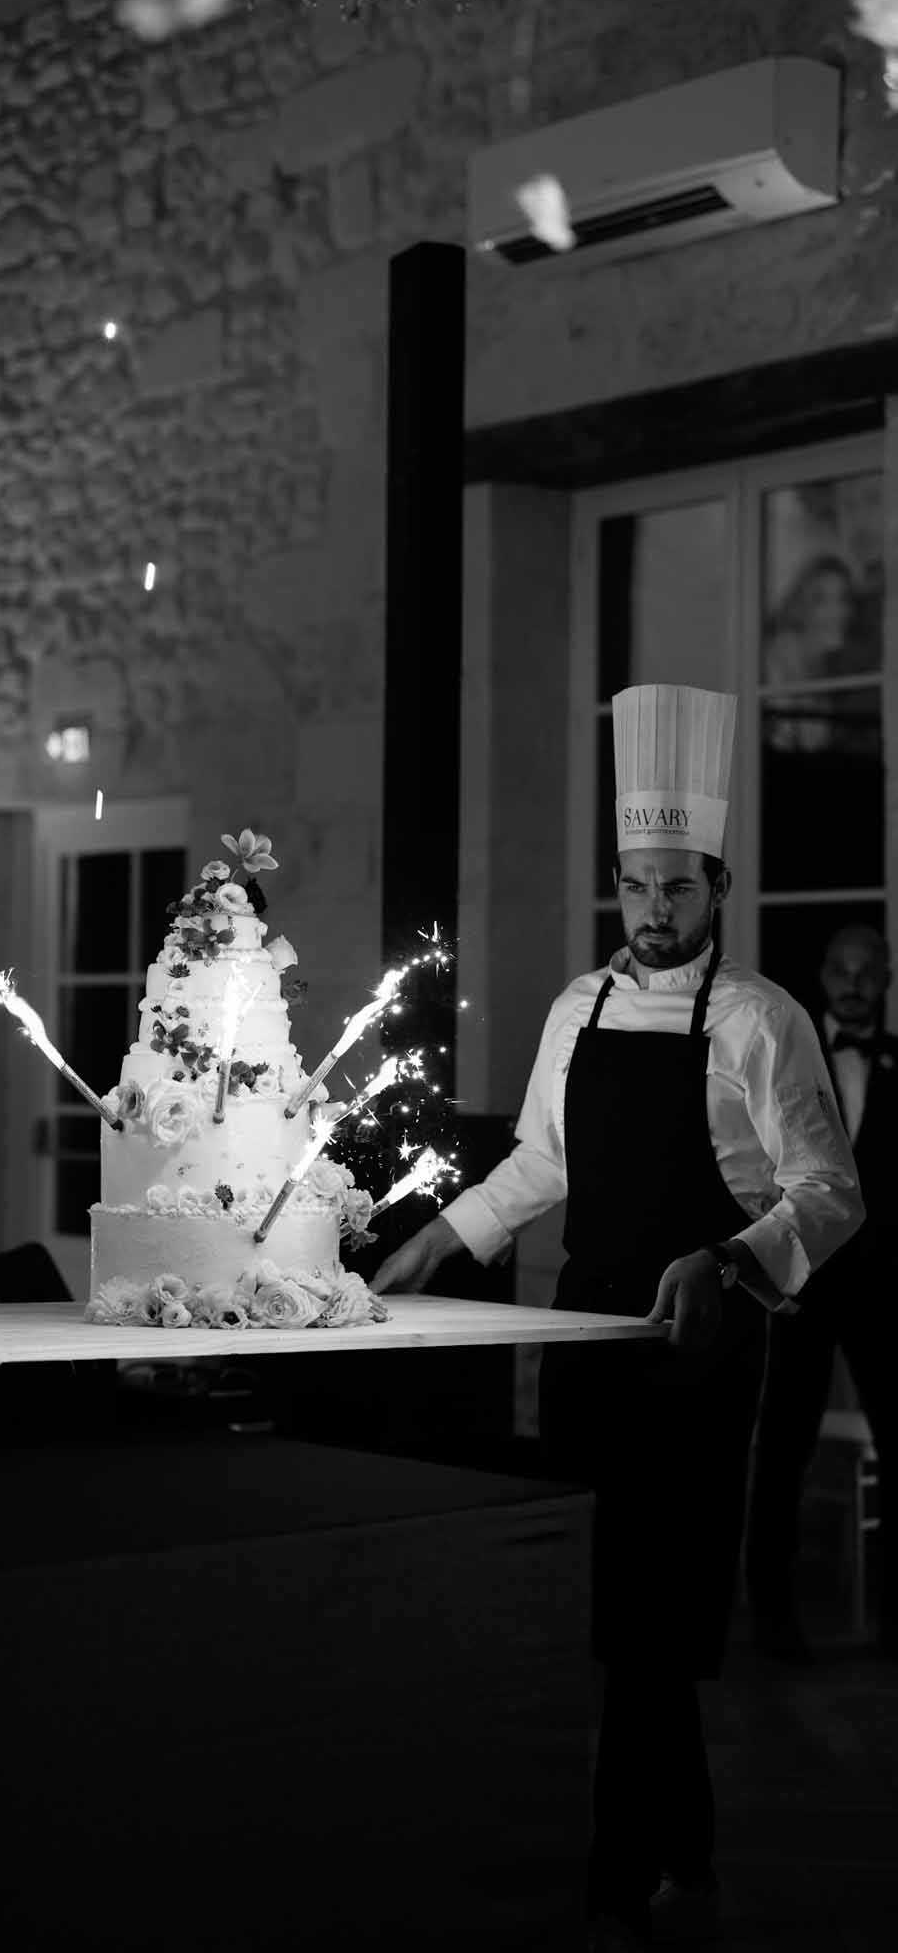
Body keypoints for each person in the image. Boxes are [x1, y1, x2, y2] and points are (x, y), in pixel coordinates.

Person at [373, 683, 863, 1953]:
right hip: (591, 1339)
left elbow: (831, 1192)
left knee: (662, 1614)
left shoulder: (762, 1021)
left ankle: (606, 1874)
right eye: (636, 886)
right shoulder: (571, 1008)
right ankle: (674, 1843)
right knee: (615, 1614)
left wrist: (731, 1259)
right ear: (618, 879)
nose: (653, 911)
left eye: (677, 889)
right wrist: (440, 1237)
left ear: (718, 885)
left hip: (702, 1348)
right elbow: (542, 1164)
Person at [745, 921, 897, 1662]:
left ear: (889, 977)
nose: (855, 981)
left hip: (887, 1292)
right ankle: (770, 1612)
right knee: (782, 1443)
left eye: (869, 969)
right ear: (824, 974)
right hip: (805, 1279)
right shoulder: (792, 1062)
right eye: (843, 967)